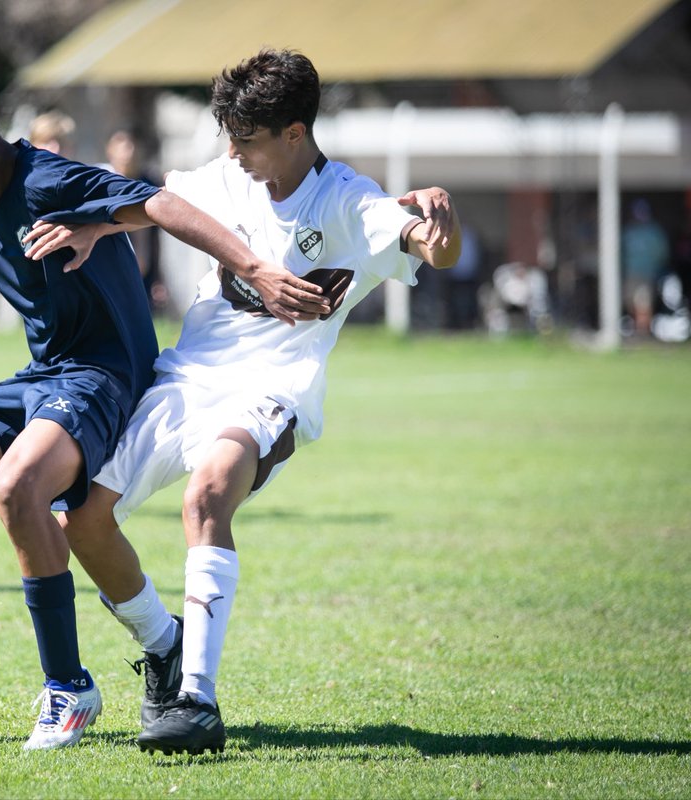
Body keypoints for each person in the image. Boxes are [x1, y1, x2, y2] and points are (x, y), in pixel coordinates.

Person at [0, 69, 329, 750]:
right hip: (45, 379)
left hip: (103, 380)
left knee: (20, 487)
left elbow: (161, 205)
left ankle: (66, 688)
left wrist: (253, 268)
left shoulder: (48, 180)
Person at [24, 49, 462, 755]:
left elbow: (425, 245)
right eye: (228, 136)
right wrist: (93, 225)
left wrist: (443, 226)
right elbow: (150, 202)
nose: (234, 152)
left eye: (247, 138)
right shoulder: (226, 176)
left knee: (208, 496)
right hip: (186, 377)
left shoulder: (348, 199)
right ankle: (164, 648)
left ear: (294, 132)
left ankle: (194, 701)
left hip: (271, 390)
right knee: (84, 522)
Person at [98, 129, 168, 315]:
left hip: (139, 269)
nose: (128, 152)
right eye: (122, 147)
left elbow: (151, 236)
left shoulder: (147, 183)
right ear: (109, 150)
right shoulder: (101, 182)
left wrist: (157, 277)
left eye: (131, 147)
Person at [621, 198, 670, 336]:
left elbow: (662, 253)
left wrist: (655, 269)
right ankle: (637, 331)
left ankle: (643, 334)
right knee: (631, 303)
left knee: (644, 304)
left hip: (647, 274)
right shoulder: (629, 232)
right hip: (631, 274)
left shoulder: (654, 232)